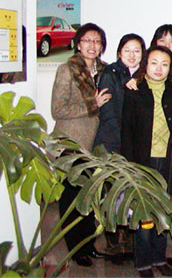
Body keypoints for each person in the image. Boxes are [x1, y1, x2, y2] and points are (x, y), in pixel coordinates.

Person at [121, 46, 172, 277]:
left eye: (165, 64)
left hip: (169, 160)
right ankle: (143, 262)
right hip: (143, 161)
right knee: (144, 212)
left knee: (163, 211)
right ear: (146, 65)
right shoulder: (134, 90)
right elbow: (126, 131)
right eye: (154, 63)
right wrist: (130, 165)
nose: (159, 68)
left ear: (170, 68)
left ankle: (159, 259)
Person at [51, 22, 110, 267]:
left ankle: (88, 245)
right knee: (72, 200)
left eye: (97, 41)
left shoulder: (104, 71)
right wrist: (92, 104)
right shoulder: (67, 70)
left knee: (89, 199)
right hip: (71, 145)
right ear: (78, 44)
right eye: (87, 40)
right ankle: (75, 250)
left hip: (95, 146)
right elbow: (57, 109)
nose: (92, 45)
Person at [93, 33, 145, 263]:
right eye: (128, 50)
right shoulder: (110, 73)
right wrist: (123, 142)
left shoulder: (144, 75)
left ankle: (130, 243)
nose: (132, 55)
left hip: (135, 144)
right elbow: (109, 112)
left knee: (131, 195)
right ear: (119, 52)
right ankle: (114, 244)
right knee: (112, 195)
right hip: (113, 141)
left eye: (137, 51)